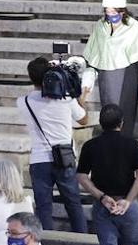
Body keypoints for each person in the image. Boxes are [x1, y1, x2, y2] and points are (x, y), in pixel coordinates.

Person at [77, 103, 138, 245]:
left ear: (101, 123)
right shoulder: (133, 145)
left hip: (103, 205)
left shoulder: (90, 146)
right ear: (121, 123)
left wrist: (101, 197)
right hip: (127, 204)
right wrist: (128, 200)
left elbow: (81, 176)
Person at [20, 56, 89, 233]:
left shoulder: (23, 102)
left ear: (30, 77)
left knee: (43, 208)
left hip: (39, 160)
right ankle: (82, 240)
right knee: (74, 204)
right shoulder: (66, 99)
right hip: (64, 158)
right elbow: (83, 119)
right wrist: (80, 97)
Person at [80, 0, 138, 137]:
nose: (111, 15)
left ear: (122, 11)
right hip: (105, 77)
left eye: (114, 12)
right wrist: (86, 84)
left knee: (124, 114)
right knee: (108, 111)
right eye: (108, 12)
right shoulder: (100, 27)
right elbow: (93, 59)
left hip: (126, 75)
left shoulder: (134, 28)